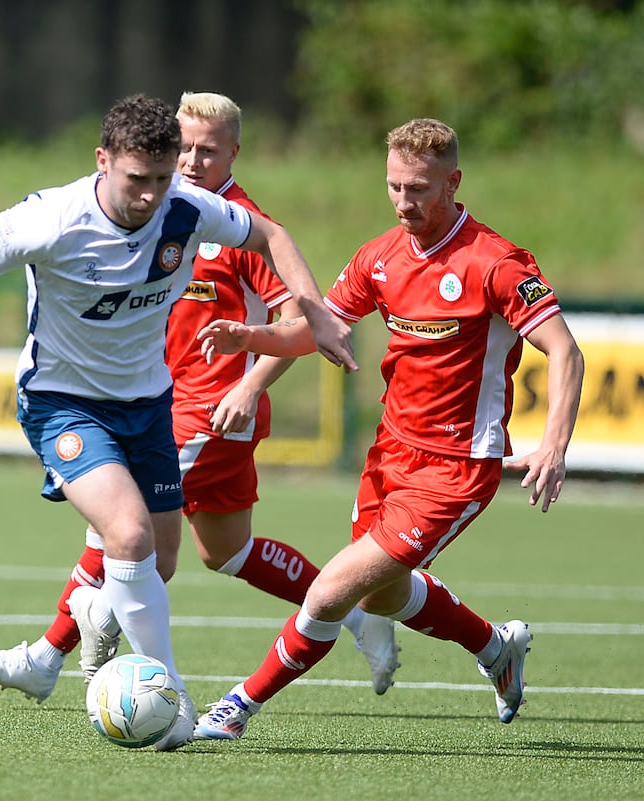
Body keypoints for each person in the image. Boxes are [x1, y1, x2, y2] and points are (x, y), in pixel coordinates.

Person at [0, 93, 356, 752]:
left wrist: (313, 310)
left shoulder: (185, 206)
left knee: (164, 559)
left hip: (149, 404)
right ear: (103, 161)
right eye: (135, 180)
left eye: (161, 177)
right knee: (126, 534)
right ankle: (172, 699)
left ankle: (84, 618)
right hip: (63, 401)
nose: (149, 196)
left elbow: (270, 234)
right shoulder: (53, 218)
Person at [192, 117, 584, 740]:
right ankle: (494, 648)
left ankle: (234, 710)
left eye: (420, 190)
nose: (405, 202)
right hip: (389, 453)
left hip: (456, 467)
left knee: (330, 592)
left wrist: (554, 445)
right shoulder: (380, 256)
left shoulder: (496, 263)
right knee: (379, 597)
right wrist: (252, 336)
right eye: (395, 187)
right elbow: (318, 325)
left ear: (453, 182)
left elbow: (564, 350)